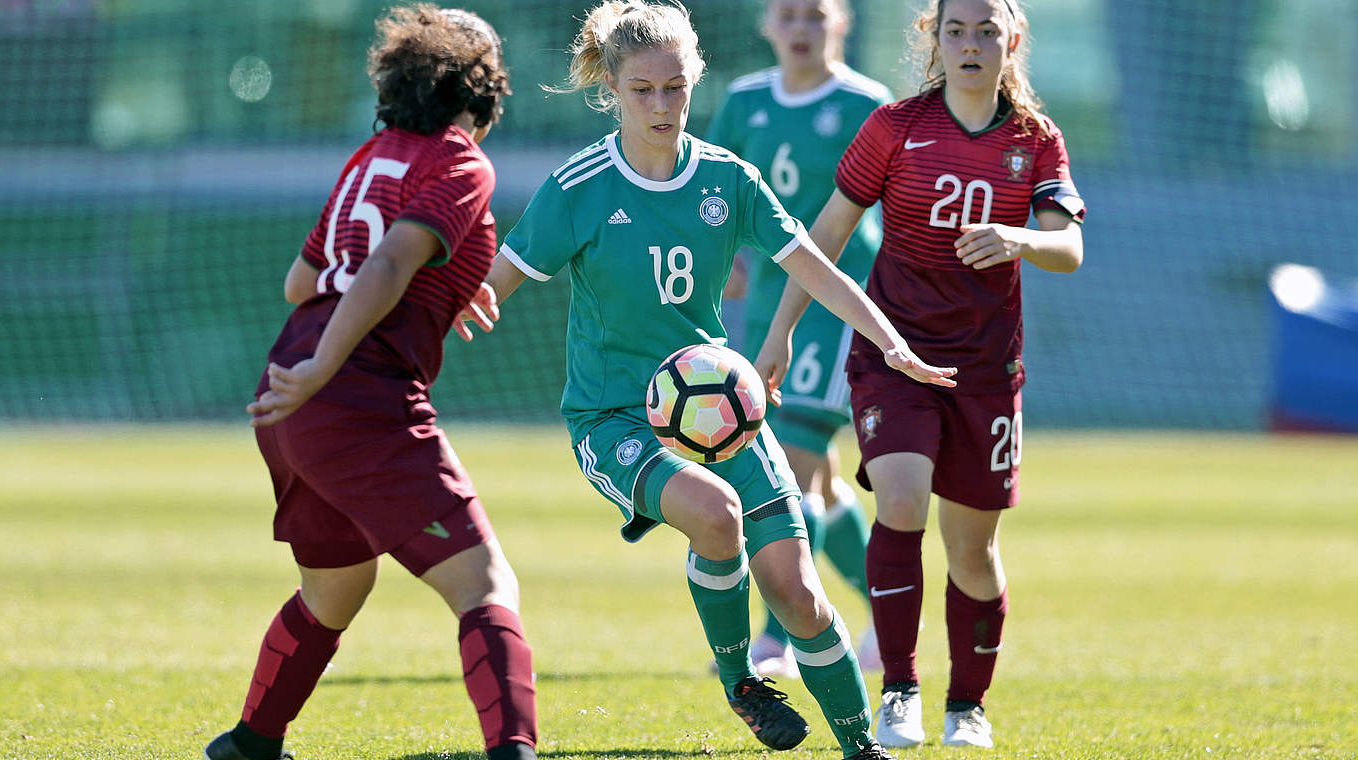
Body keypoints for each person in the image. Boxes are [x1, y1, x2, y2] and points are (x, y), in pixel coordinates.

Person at [456, 2, 953, 758]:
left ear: (695, 83)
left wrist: (892, 344)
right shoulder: (580, 186)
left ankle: (862, 748)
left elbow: (816, 270)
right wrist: (440, 312)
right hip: (615, 418)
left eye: (677, 88)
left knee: (800, 596)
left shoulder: (729, 179)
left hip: (720, 412)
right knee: (716, 513)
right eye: (643, 90)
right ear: (613, 89)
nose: (662, 105)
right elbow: (493, 285)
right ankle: (739, 681)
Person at [203, 7, 537, 760]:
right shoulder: (458, 159)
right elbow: (387, 263)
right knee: (485, 584)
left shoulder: (370, 155)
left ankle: (250, 744)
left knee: (335, 591)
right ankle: (514, 750)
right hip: (352, 393)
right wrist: (328, 364)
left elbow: (302, 281)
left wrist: (441, 282)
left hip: (289, 395)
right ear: (483, 89)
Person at [755, 0, 1085, 749]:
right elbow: (826, 235)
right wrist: (780, 331)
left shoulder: (1035, 140)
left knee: (972, 550)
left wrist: (1019, 238)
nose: (971, 44)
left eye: (986, 31)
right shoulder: (896, 127)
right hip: (894, 356)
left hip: (986, 369)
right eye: (955, 30)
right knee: (899, 503)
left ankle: (967, 704)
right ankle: (898, 688)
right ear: (933, 40)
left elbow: (1068, 248)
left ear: (1013, 41)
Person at [705, 0, 892, 680]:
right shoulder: (745, 100)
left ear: (839, 24)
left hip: (835, 310)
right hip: (762, 310)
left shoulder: (866, 104)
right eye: (788, 15)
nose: (802, 28)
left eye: (816, 15)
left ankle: (774, 637)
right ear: (766, 26)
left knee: (793, 463)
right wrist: (723, 253)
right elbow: (713, 186)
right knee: (824, 483)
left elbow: (882, 204)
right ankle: (891, 612)